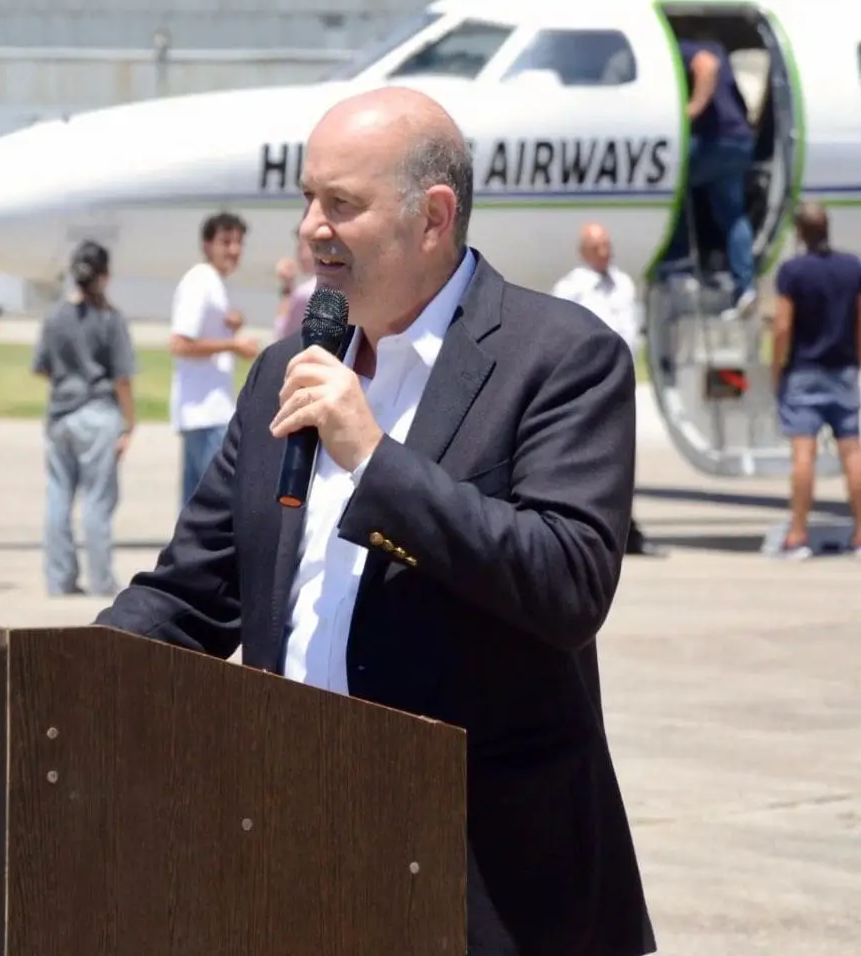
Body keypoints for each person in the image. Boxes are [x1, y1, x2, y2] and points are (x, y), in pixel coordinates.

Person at [96, 86, 655, 956]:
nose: (311, 228)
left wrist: (374, 458)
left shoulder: (559, 358)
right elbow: (191, 595)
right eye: (308, 199)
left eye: (342, 204)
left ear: (433, 217)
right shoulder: (288, 368)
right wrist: (46, 674)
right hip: (300, 856)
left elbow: (566, 583)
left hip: (490, 887)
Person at [32, 240, 138, 595]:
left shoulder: (55, 317)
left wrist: (68, 379)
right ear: (104, 276)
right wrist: (130, 422)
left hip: (61, 413)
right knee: (97, 499)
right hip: (98, 412)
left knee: (58, 495)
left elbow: (41, 367)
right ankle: (101, 579)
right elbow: (122, 377)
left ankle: (59, 578)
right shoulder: (110, 318)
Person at [552, 222, 665, 557]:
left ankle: (627, 528)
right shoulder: (570, 288)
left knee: (623, 457)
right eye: (598, 247)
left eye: (607, 246)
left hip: (620, 381)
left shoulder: (624, 284)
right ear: (584, 251)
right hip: (586, 384)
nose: (606, 252)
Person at [769, 202, 861, 559]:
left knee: (804, 454)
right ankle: (860, 536)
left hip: (804, 372)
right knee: (852, 452)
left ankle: (797, 535)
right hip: (844, 371)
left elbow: (782, 326)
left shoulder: (793, 272)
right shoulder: (852, 267)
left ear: (799, 233)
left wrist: (777, 367)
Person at [168, 211, 262, 506]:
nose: (234, 249)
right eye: (225, 242)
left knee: (197, 504)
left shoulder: (213, 283)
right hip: (206, 412)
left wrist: (230, 322)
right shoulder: (200, 281)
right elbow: (180, 343)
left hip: (205, 410)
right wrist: (233, 345)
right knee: (215, 503)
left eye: (238, 242)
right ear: (207, 245)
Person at [679, 35, 757, 318]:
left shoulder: (681, 47)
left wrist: (691, 110)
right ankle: (745, 286)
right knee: (733, 214)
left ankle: (678, 267)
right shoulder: (718, 47)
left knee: (671, 192)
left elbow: (706, 66)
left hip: (712, 139)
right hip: (738, 139)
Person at [272, 231, 316, 341]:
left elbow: (283, 334)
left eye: (300, 247)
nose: (297, 255)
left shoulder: (304, 293)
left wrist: (287, 286)